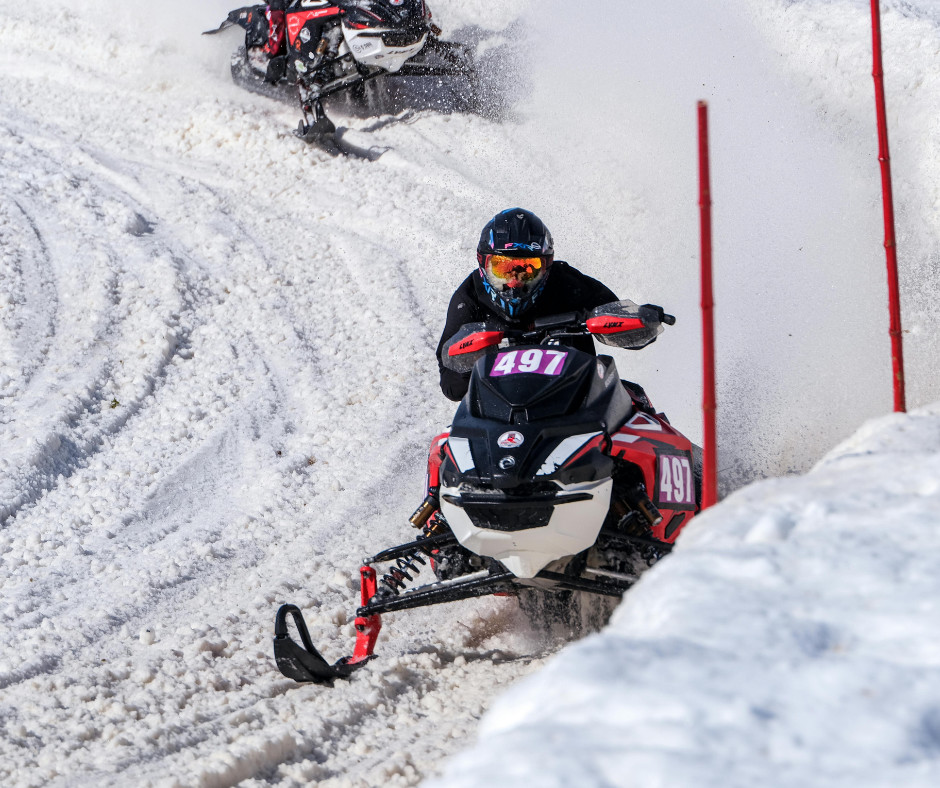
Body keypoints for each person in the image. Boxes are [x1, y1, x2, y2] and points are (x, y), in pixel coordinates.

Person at [435, 207, 654, 410]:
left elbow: (629, 328)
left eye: (528, 269)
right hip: (504, 410)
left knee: (633, 401)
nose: (514, 282)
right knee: (453, 435)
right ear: (482, 262)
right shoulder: (469, 297)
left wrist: (644, 320)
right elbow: (451, 385)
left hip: (580, 403)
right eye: (503, 268)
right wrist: (474, 356)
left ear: (547, 266)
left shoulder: (567, 283)